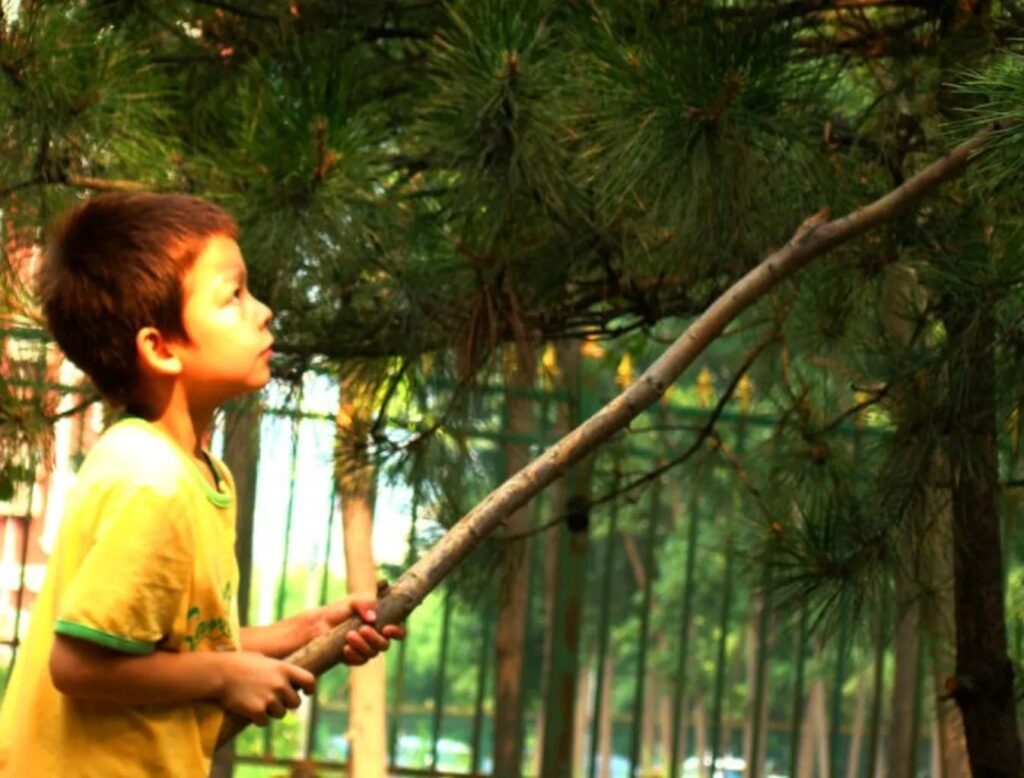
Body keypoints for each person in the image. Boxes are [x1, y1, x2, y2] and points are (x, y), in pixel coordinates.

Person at [0, 192, 405, 777]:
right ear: (160, 348)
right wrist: (227, 674)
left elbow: (163, 646)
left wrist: (306, 631)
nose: (262, 311)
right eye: (232, 297)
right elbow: (80, 667)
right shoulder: (150, 480)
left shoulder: (192, 472)